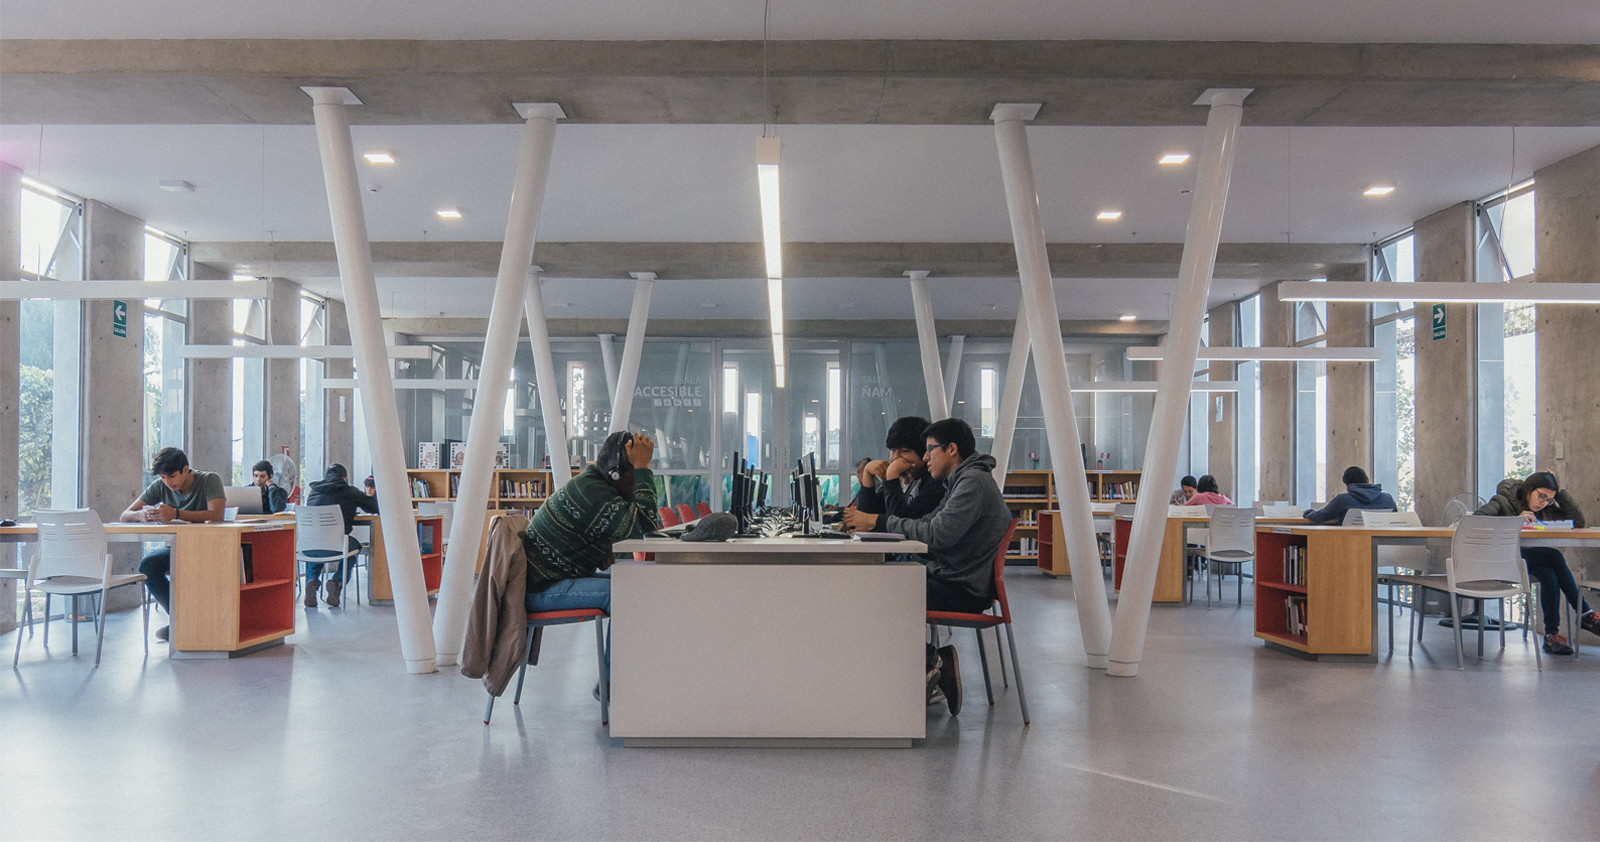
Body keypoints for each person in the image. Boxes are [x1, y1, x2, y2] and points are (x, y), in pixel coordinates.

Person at [841, 418, 1011, 717]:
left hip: (961, 589)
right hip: (951, 577)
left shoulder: (972, 482)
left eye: (931, 449)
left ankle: (930, 666)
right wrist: (877, 520)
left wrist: (878, 522)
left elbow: (936, 536)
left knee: (876, 594)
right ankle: (930, 665)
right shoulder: (959, 481)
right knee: (878, 586)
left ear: (952, 449)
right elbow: (926, 524)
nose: (927, 456)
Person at [523, 431, 658, 658]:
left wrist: (599, 549)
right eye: (636, 474)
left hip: (552, 580)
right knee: (626, 593)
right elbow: (648, 525)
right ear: (616, 474)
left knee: (635, 582)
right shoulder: (592, 494)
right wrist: (643, 465)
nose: (638, 483)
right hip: (541, 589)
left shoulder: (595, 486)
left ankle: (634, 672)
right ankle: (613, 683)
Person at [1475, 471, 1599, 655]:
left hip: (1529, 559)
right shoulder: (1502, 500)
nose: (1543, 502)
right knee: (1554, 556)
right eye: (1542, 496)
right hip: (1502, 559)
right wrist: (1516, 520)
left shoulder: (1545, 509)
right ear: (1528, 489)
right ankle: (1585, 613)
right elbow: (1477, 519)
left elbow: (1578, 522)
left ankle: (1551, 636)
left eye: (1549, 499)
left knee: (1549, 573)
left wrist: (1560, 492)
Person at [121, 447, 226, 642]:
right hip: (176, 547)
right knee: (148, 565)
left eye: (172, 476)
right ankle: (181, 621)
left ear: (186, 469)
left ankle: (188, 623)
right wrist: (141, 515)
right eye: (163, 477)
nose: (168, 482)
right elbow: (125, 515)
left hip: (208, 548)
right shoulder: (160, 486)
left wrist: (176, 514)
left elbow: (216, 514)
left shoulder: (209, 479)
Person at [304, 463, 379, 608]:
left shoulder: (313, 491)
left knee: (318, 544)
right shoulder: (349, 491)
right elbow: (375, 507)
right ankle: (337, 582)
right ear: (345, 478)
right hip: (337, 545)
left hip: (309, 547)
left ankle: (311, 581)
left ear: (325, 478)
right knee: (353, 546)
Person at [855, 415, 946, 523]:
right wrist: (867, 475)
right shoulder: (902, 480)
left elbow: (901, 525)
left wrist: (892, 476)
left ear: (924, 453)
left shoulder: (935, 481)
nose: (896, 458)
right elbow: (864, 520)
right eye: (893, 450)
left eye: (905, 451)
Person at [1303, 466, 1396, 525]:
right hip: (1380, 549)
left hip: (1348, 547)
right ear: (1367, 479)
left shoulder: (1342, 500)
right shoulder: (1388, 499)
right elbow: (1395, 521)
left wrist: (1307, 512)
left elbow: (1319, 517)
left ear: (1347, 485)